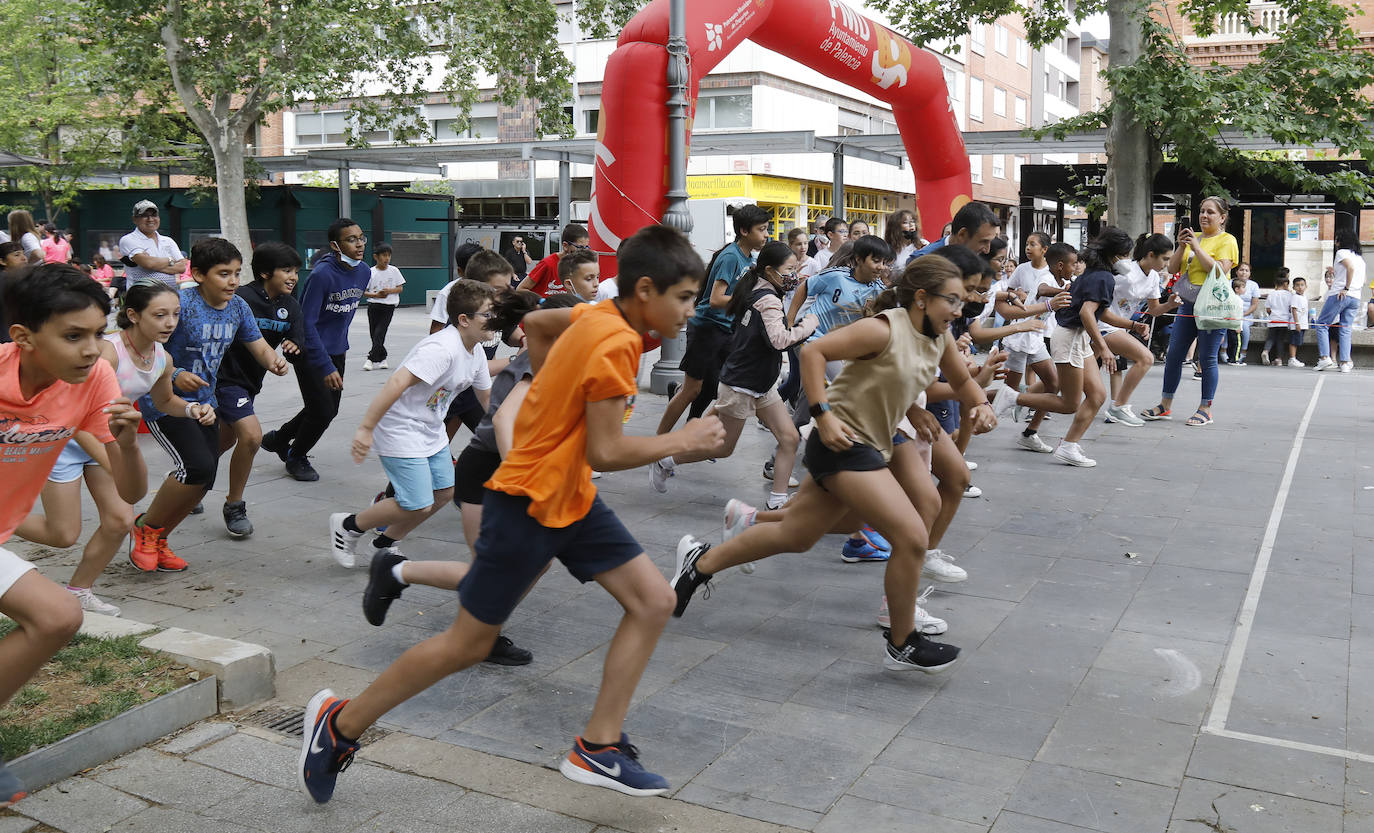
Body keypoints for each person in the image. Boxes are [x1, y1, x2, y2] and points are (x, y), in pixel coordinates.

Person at [298, 224, 724, 804]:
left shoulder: (596, 316)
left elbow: (541, 325)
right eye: (685, 298)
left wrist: (551, 395)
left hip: (569, 496)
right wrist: (686, 440)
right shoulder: (616, 340)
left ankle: (597, 747)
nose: (691, 311)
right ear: (646, 289)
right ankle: (340, 726)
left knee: (653, 600)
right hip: (527, 500)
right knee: (468, 644)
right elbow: (608, 451)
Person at [671, 254, 996, 673]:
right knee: (914, 534)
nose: (959, 307)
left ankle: (699, 564)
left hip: (869, 444)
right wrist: (821, 415)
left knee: (798, 534)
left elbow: (962, 380)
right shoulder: (884, 328)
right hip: (841, 441)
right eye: (951, 299)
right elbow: (814, 353)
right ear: (921, 298)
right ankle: (902, 643)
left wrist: (980, 405)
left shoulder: (938, 337)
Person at [0, 265, 147, 806]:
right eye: (73, 336)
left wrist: (127, 445)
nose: (92, 350)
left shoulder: (93, 384)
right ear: (24, 338)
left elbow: (129, 493)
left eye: (97, 333)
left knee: (60, 615)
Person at [16, 279, 202, 615]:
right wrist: (112, 456)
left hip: (105, 439)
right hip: (67, 441)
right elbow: (73, 416)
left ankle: (79, 591)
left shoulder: (162, 357)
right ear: (133, 314)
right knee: (62, 534)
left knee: (119, 520)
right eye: (160, 314)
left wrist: (192, 409)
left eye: (175, 314)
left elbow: (163, 401)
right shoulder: (105, 353)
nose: (170, 322)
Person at [129, 239, 288, 572]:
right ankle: (144, 527)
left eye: (235, 273)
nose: (232, 281)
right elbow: (152, 347)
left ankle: (159, 537)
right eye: (223, 274)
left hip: (205, 402)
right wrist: (177, 373)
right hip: (164, 401)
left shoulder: (238, 307)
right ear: (198, 274)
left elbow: (256, 344)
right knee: (197, 467)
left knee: (204, 475)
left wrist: (274, 360)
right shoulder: (181, 305)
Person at [329, 280, 494, 573]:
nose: (495, 321)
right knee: (416, 502)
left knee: (445, 492)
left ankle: (383, 545)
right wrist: (366, 429)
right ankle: (347, 525)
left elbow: (488, 400)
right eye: (488, 314)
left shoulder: (475, 351)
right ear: (464, 319)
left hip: (430, 429)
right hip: (399, 427)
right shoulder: (441, 349)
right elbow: (397, 382)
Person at [648, 241, 817, 507]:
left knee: (789, 438)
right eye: (789, 269)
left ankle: (777, 499)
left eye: (796, 269)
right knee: (723, 448)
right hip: (742, 385)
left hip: (759, 382)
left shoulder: (757, 288)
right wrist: (807, 326)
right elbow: (779, 340)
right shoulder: (769, 300)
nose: (793, 276)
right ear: (770, 270)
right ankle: (666, 459)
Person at [215, 242, 319, 538]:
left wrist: (291, 348)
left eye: (296, 271)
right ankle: (234, 505)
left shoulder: (290, 305)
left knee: (222, 442)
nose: (293, 277)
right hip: (223, 380)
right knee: (251, 437)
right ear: (263, 273)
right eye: (286, 270)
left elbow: (298, 343)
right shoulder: (241, 298)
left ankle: (191, 480)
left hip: (249, 384)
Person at [261, 218, 370, 482]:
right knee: (321, 411)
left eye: (361, 237)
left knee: (327, 409)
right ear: (335, 245)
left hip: (337, 350)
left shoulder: (364, 271)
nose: (359, 244)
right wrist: (325, 365)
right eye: (351, 239)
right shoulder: (322, 275)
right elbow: (305, 323)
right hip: (309, 349)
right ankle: (295, 456)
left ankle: (279, 438)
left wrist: (338, 353)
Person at [656, 204, 770, 435]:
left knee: (713, 388)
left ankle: (691, 433)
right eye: (762, 229)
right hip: (707, 329)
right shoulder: (731, 257)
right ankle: (659, 442)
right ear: (744, 231)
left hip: (726, 330)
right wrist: (748, 299)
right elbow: (717, 299)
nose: (766, 234)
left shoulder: (748, 258)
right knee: (692, 390)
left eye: (767, 228)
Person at [1141, 197, 1238, 427]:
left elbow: (1219, 271)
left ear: (1222, 218)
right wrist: (1183, 246)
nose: (1204, 216)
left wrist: (1196, 247)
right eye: (1202, 211)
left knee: (1207, 357)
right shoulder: (1194, 239)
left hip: (1213, 305)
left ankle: (1206, 408)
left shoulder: (1227, 240)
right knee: (1174, 354)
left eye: (1210, 212)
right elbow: (1173, 268)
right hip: (1188, 303)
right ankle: (1165, 405)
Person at [998, 233, 1071, 453]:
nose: (1075, 267)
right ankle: (970, 410)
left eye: (1033, 244)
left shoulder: (1064, 280)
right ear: (1060, 265)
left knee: (1054, 384)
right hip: (1020, 338)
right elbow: (1042, 290)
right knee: (1007, 394)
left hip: (1036, 339)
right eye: (1072, 263)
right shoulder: (1047, 278)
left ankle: (1030, 433)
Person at [1101, 233, 1178, 426]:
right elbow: (1098, 299)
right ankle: (1119, 406)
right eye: (1165, 259)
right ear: (1151, 255)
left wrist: (1169, 305)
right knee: (1146, 358)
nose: (1167, 264)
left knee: (1065, 381)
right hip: (1101, 325)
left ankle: (1022, 397)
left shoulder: (1153, 277)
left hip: (1119, 327)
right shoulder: (1125, 273)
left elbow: (1154, 310)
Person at [1315, 228, 1365, 372]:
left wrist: (1346, 288)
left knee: (1322, 324)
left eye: (1336, 239)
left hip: (1340, 294)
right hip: (1356, 297)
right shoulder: (1359, 257)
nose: (1335, 242)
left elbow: (1350, 268)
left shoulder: (1341, 253)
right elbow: (1362, 278)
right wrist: (1335, 271)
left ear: (1341, 240)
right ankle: (1344, 362)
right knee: (1345, 328)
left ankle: (1324, 358)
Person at [118, 201, 188, 287]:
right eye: (144, 216)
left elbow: (182, 267)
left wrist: (152, 265)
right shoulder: (128, 239)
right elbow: (148, 263)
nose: (150, 219)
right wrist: (170, 260)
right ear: (134, 219)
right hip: (142, 295)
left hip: (170, 295)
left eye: (154, 215)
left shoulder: (168, 241)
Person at [363, 243, 405, 372]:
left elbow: (400, 288)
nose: (387, 258)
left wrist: (389, 291)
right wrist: (376, 295)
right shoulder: (370, 272)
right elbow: (363, 291)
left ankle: (370, 359)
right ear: (376, 257)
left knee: (379, 332)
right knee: (374, 333)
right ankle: (382, 358)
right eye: (384, 255)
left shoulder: (394, 271)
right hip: (373, 305)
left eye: (389, 255)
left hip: (388, 306)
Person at [517, 223, 589, 298]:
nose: (584, 252)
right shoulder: (548, 263)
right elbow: (521, 289)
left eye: (586, 247)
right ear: (565, 246)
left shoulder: (579, 266)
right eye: (580, 247)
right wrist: (541, 301)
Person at [911, 202, 1000, 257]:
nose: (987, 250)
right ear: (962, 234)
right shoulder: (924, 261)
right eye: (983, 241)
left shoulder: (979, 257)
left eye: (990, 242)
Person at [1224, 263, 1261, 365]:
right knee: (1226, 324)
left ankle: (1243, 352)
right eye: (1241, 270)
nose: (1244, 272)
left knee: (1243, 325)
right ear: (1236, 271)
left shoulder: (1253, 285)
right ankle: (1224, 350)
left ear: (1249, 273)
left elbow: (1254, 305)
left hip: (1245, 314)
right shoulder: (1229, 282)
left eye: (1246, 270)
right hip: (1231, 313)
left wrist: (1242, 315)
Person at [1262, 273, 1293, 366]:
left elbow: (1268, 309)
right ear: (1285, 284)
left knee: (1270, 338)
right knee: (1280, 340)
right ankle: (1279, 359)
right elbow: (1291, 308)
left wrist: (1272, 314)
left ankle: (1265, 351)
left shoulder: (1271, 294)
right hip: (1284, 320)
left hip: (1273, 320)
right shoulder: (1289, 295)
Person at [1288, 277, 1310, 367]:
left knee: (1298, 341)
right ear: (1293, 287)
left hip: (1303, 323)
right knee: (1294, 341)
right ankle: (1292, 358)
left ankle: (1294, 358)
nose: (1300, 287)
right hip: (1296, 324)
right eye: (1297, 285)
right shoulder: (1295, 297)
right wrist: (1297, 323)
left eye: (1302, 285)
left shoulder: (1304, 297)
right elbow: (1294, 310)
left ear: (1306, 286)